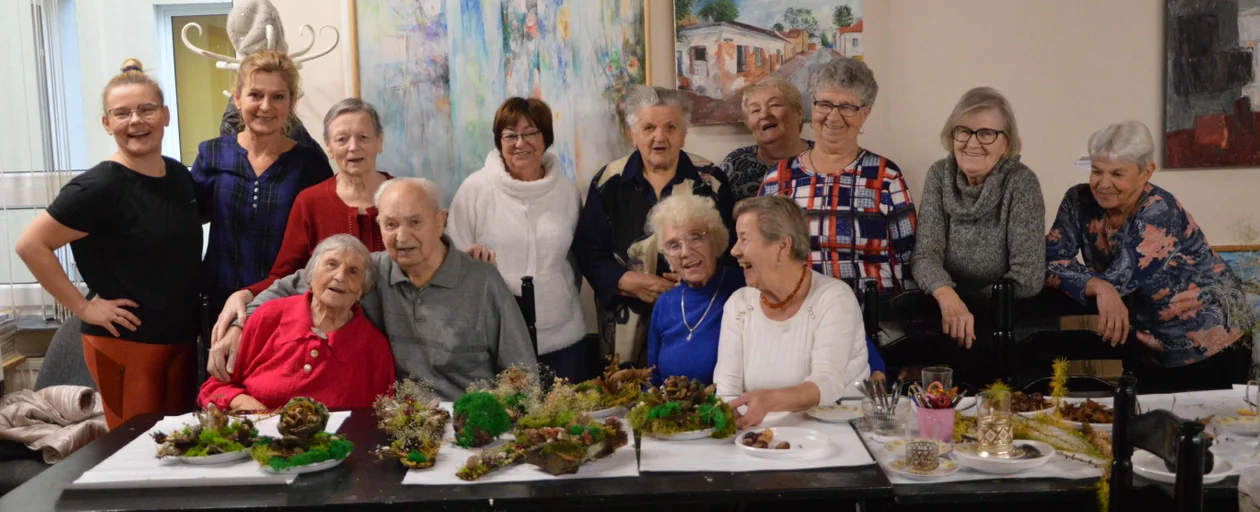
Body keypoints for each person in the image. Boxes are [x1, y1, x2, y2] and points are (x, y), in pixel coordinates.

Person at [218, 178, 537, 400]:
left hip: (469, 423)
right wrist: (238, 323)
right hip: (396, 426)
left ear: (441, 221)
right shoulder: (367, 272)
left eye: (415, 222)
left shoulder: (482, 281)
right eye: (390, 224)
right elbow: (293, 285)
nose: (402, 236)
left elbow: (523, 376)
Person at [15, 59, 201, 429]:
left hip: (180, 339)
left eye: (147, 109)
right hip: (126, 342)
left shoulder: (178, 175)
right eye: (122, 113)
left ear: (165, 115)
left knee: (181, 449)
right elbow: (30, 244)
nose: (136, 121)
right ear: (107, 123)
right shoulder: (97, 187)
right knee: (135, 454)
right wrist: (83, 308)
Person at [1046, 121, 1250, 393]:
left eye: (1117, 174)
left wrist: (1103, 286)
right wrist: (1099, 286)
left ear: (1146, 172)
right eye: (1096, 171)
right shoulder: (1077, 200)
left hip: (1213, 344)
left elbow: (1120, 279)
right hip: (1149, 348)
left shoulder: (1160, 212)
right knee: (1146, 430)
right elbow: (1048, 260)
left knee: (1205, 431)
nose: (1103, 184)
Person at [207, 98, 392, 381]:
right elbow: (286, 275)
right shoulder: (311, 201)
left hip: (393, 341)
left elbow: (429, 260)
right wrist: (246, 296)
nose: (353, 147)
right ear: (329, 147)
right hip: (331, 346)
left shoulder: (402, 197)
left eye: (364, 137)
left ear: (379, 141)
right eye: (342, 139)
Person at [575, 85, 734, 365]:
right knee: (626, 399)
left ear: (684, 135)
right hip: (624, 326)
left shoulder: (711, 181)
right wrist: (627, 281)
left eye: (670, 127)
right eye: (648, 128)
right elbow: (589, 252)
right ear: (634, 135)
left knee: (690, 394)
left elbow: (731, 252)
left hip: (696, 317)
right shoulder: (608, 182)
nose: (659, 137)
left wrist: (701, 277)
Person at [447, 98, 587, 381]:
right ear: (499, 142)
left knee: (567, 420)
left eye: (530, 132)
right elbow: (452, 260)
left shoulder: (566, 191)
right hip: (495, 337)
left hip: (562, 335)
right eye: (510, 135)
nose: (520, 143)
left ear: (545, 137)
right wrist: (470, 260)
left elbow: (577, 259)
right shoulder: (475, 189)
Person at [191, 49, 334, 322]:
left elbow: (323, 240)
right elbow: (184, 223)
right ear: (237, 98)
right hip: (219, 302)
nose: (266, 106)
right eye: (255, 95)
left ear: (291, 102)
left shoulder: (309, 163)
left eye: (278, 97)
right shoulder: (212, 154)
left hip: (287, 303)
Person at [759, 58, 916, 295]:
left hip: (870, 318)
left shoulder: (886, 177)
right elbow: (762, 256)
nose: (833, 116)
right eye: (825, 104)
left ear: (865, 114)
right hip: (796, 316)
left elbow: (907, 262)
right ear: (813, 106)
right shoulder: (777, 179)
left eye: (847, 107)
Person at [716, 195, 870, 428]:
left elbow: (828, 381)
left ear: (782, 246)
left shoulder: (834, 298)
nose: (735, 250)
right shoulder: (738, 305)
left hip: (839, 437)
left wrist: (769, 401)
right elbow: (726, 391)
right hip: (761, 440)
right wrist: (733, 420)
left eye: (744, 239)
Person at [912, 87, 1045, 348]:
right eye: (964, 131)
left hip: (1011, 328)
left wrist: (968, 305)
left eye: (986, 133)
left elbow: (1027, 277)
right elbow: (925, 256)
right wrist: (948, 296)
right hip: (948, 319)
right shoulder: (939, 175)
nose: (972, 143)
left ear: (1006, 142)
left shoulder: (1021, 182)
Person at [199, 235, 395, 411]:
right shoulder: (269, 318)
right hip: (255, 441)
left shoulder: (374, 348)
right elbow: (213, 389)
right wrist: (243, 404)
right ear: (310, 275)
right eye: (331, 265)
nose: (340, 276)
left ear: (362, 289)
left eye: (353, 272)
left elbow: (381, 417)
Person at [645, 194, 744, 386]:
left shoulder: (743, 287)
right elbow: (652, 379)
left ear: (716, 241)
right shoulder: (665, 304)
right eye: (673, 245)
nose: (685, 252)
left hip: (728, 412)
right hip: (673, 413)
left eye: (695, 238)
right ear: (667, 257)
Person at [720, 78, 813, 202]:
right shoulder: (735, 163)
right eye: (755, 110)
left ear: (799, 114)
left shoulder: (823, 157)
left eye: (774, 105)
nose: (764, 114)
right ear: (748, 123)